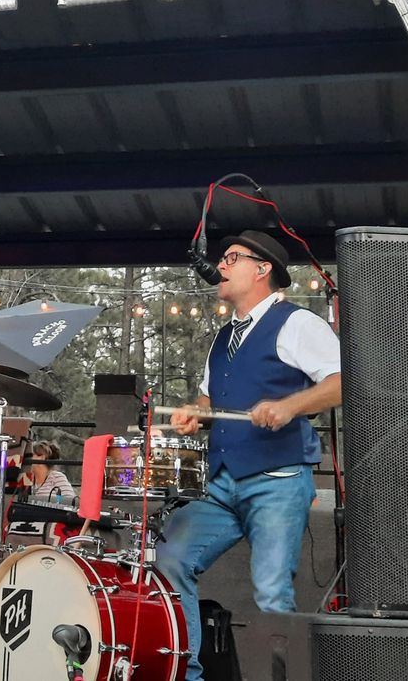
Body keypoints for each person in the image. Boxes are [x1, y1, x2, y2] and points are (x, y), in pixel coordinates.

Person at [155, 230, 341, 681]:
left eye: (231, 258)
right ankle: (188, 673)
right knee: (170, 560)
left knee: (273, 594)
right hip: (221, 480)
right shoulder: (222, 338)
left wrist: (289, 406)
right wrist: (193, 416)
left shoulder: (297, 323)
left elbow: (341, 381)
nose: (220, 266)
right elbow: (208, 402)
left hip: (276, 479)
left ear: (262, 269)